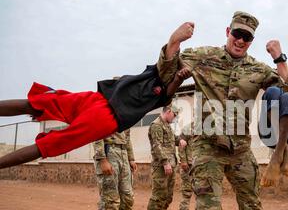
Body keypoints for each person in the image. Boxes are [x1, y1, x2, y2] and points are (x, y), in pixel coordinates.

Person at [157, 11, 288, 210]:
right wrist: (174, 40)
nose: (241, 40)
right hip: (207, 148)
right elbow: (166, 69)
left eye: (247, 37)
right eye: (237, 34)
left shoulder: (257, 68)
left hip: (241, 150)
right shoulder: (203, 56)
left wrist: (279, 57)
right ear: (227, 32)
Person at [0, 66, 191, 169]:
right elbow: (172, 46)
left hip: (107, 116)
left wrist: (178, 78)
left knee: (52, 143)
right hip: (97, 100)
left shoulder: (161, 94)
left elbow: (170, 90)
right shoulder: (155, 70)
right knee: (41, 103)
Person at [93, 128, 141, 210]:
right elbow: (96, 131)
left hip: (123, 153)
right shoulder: (103, 108)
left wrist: (131, 158)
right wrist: (102, 159)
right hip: (109, 152)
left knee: (128, 197)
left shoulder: (125, 111)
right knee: (110, 199)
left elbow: (127, 136)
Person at [146, 105, 186, 210]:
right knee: (158, 195)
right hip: (161, 166)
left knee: (168, 195)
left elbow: (172, 139)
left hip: (171, 165)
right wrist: (165, 162)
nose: (175, 118)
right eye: (174, 115)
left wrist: (179, 140)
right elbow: (157, 146)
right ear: (168, 112)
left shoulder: (166, 125)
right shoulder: (156, 125)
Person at [175, 122, 194, 210]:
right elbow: (181, 145)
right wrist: (183, 160)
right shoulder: (188, 128)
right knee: (186, 190)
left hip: (202, 165)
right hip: (188, 165)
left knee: (203, 191)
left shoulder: (209, 128)